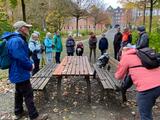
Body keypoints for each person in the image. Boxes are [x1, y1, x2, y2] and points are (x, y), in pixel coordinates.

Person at [3, 21, 47, 120]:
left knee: (18, 92)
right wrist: (29, 66)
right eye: (27, 27)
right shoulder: (16, 40)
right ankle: (34, 116)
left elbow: (24, 54)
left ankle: (18, 112)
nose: (28, 29)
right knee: (28, 93)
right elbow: (20, 57)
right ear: (22, 28)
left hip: (18, 71)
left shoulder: (17, 39)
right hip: (20, 72)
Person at [115, 47, 160, 120]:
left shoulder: (126, 57)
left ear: (122, 53)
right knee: (149, 102)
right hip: (158, 83)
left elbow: (118, 76)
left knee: (145, 115)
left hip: (147, 88)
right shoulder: (141, 54)